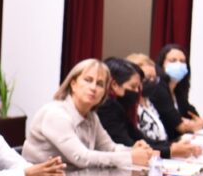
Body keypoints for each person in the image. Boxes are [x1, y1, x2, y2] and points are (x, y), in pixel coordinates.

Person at [23, 58, 154, 169]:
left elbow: (110, 148)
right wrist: (130, 157)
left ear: (104, 92)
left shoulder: (91, 117)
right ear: (73, 84)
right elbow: (81, 158)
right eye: (88, 80)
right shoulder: (55, 113)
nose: (93, 88)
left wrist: (135, 151)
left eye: (100, 84)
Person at [98, 58, 201, 159]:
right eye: (133, 86)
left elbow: (140, 138)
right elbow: (128, 145)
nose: (137, 91)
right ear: (114, 85)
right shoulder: (107, 108)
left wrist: (172, 146)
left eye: (139, 86)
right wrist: (170, 151)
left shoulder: (122, 106)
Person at [145, 44, 203, 138]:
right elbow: (180, 127)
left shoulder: (178, 91)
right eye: (173, 60)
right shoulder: (158, 88)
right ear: (162, 64)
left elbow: (195, 117)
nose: (178, 64)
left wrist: (195, 123)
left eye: (182, 61)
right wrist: (194, 124)